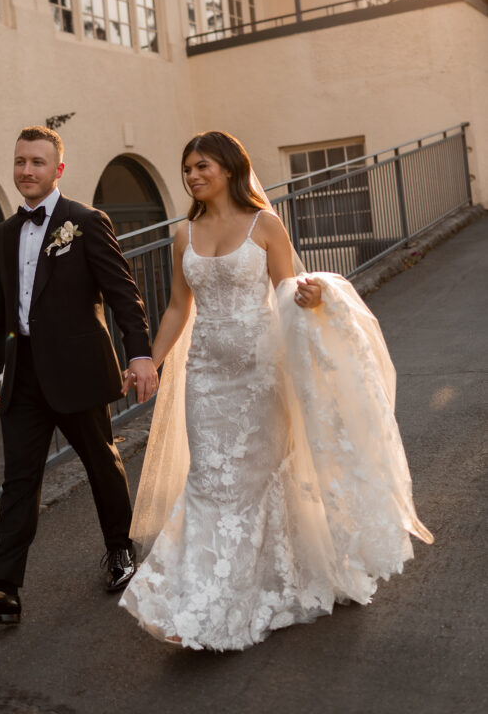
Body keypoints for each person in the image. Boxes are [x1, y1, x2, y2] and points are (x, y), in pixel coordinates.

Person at [119, 130, 433, 651]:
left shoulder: (265, 224)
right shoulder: (184, 235)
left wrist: (313, 298)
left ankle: (228, 602)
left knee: (248, 486)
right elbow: (179, 306)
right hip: (206, 376)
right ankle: (197, 600)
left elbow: (289, 290)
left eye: (203, 166)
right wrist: (154, 359)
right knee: (208, 483)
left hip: (261, 375)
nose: (193, 176)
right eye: (187, 168)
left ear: (228, 169)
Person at [0, 126, 158, 625]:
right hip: (22, 376)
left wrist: (140, 355)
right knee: (19, 480)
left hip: (78, 371)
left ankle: (120, 552)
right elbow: (0, 307)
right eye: (20, 161)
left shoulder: (85, 221)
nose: (26, 171)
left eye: (37, 162)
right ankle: (3, 590)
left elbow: (124, 294)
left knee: (101, 464)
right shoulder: (2, 232)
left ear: (57, 169)